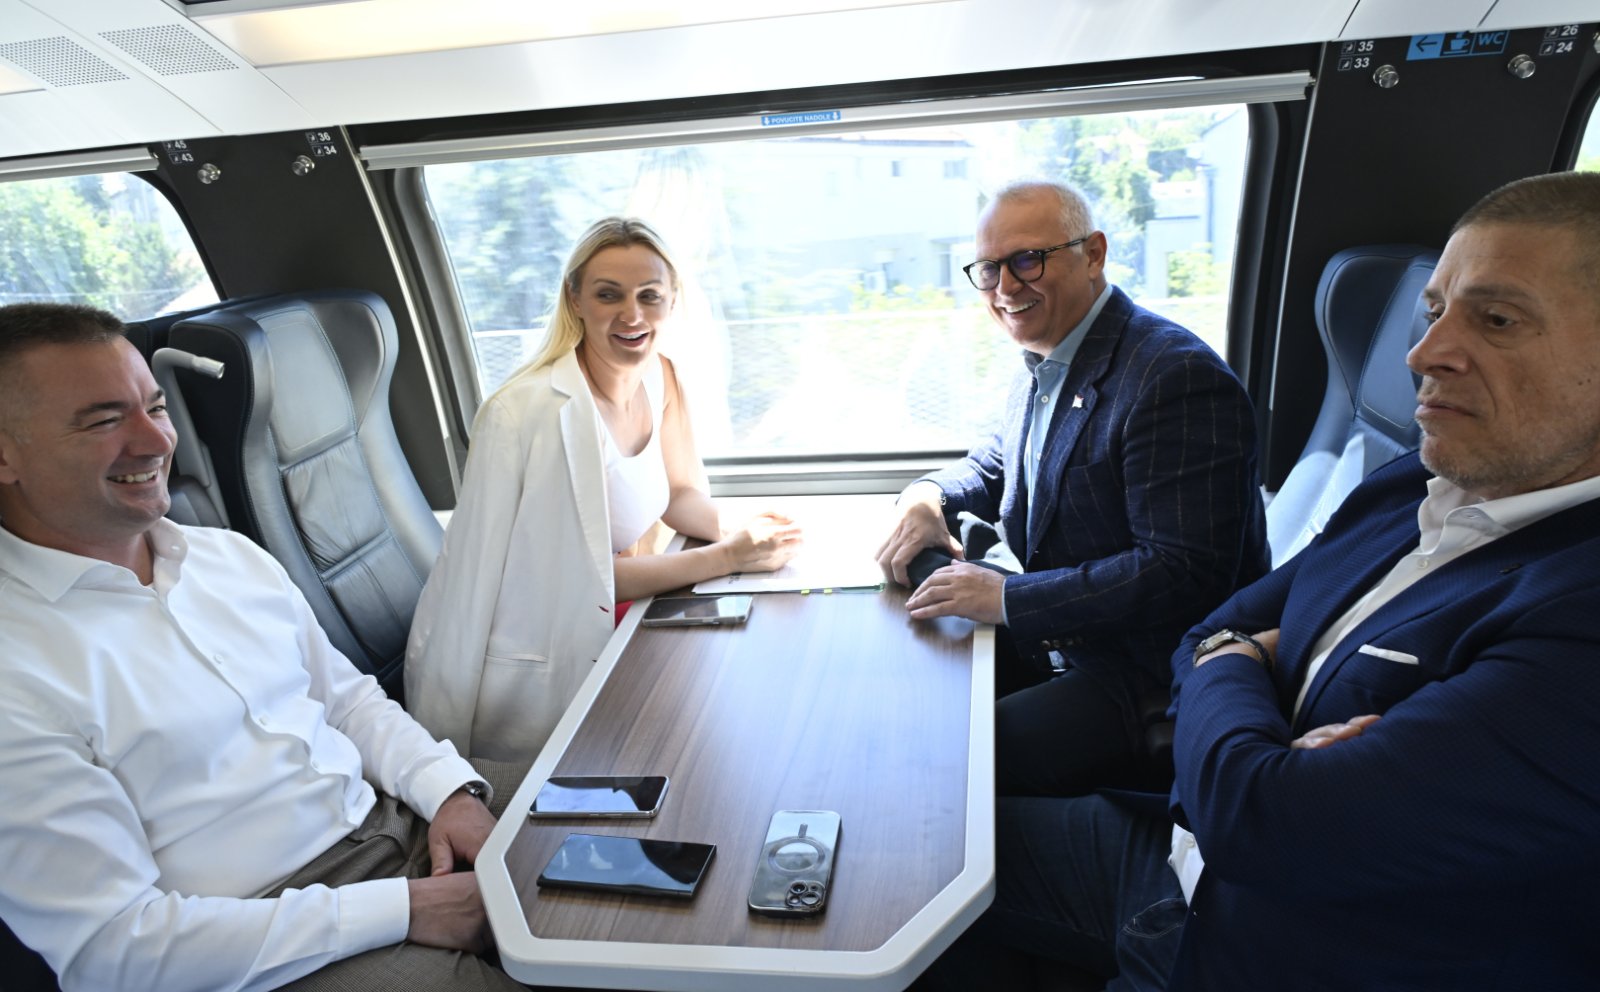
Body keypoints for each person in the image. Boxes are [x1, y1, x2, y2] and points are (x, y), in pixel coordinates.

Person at [913, 170, 1600, 991]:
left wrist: (1235, 672)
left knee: (944, 797)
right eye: (1433, 312)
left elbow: (1263, 811)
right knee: (921, 847)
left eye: (1497, 319)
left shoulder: (1576, 614)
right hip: (1175, 847)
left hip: (1267, 943)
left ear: (1092, 255)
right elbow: (1220, 633)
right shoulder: (1409, 489)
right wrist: (927, 494)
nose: (1423, 355)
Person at [0, 303, 526, 992]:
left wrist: (449, 791)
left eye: (155, 408)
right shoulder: (16, 672)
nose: (155, 441)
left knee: (626, 825)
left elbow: (347, 703)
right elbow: (115, 948)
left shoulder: (226, 556)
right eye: (103, 421)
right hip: (269, 934)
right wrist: (405, 908)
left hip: (391, 815)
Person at [877, 179, 1268, 796]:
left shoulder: (1174, 377)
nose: (1005, 288)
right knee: (908, 696)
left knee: (952, 758)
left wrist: (1008, 599)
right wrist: (928, 497)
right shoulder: (1050, 357)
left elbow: (1182, 572)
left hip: (1148, 666)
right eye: (989, 269)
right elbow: (998, 462)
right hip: (1072, 638)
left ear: (1094, 254)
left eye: (1027, 260)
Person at [406, 217, 801, 762]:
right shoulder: (530, 413)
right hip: (541, 658)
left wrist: (749, 531)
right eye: (609, 295)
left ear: (672, 301)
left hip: (618, 618)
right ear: (575, 300)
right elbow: (583, 579)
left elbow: (678, 494)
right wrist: (729, 557)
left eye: (649, 296)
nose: (632, 315)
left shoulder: (661, 376)